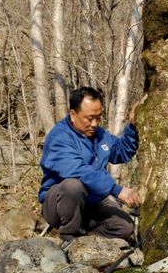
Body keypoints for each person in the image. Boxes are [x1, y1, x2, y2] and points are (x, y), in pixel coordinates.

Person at [38, 87, 141, 245]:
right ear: (73, 115)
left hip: (92, 202)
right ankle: (68, 235)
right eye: (89, 118)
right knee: (73, 186)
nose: (95, 124)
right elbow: (81, 172)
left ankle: (84, 240)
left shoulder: (99, 134)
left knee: (124, 227)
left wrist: (133, 127)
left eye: (98, 118)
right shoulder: (59, 137)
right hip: (59, 204)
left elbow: (121, 151)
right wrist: (116, 190)